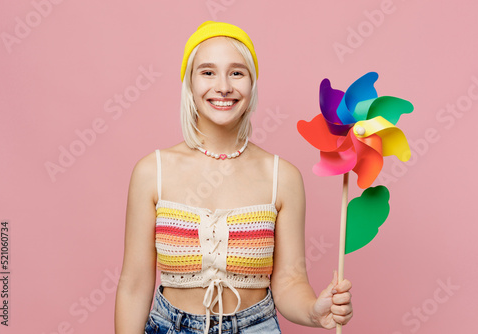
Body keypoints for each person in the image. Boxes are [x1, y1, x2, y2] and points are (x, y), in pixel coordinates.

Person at [114, 21, 353, 334]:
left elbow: (289, 281)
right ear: (189, 82)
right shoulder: (151, 172)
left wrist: (314, 311)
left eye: (237, 72)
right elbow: (134, 285)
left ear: (252, 83)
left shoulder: (283, 177)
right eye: (208, 72)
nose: (223, 86)